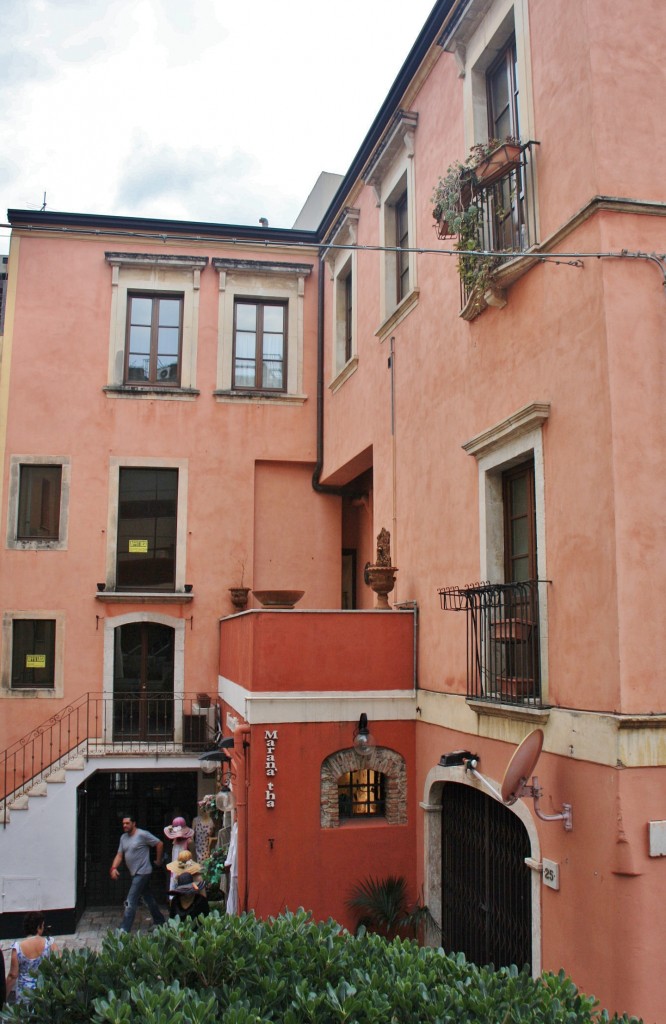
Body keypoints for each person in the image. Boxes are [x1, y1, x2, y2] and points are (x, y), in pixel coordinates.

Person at [110, 814, 166, 933]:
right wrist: (113, 868)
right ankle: (160, 921)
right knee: (148, 898)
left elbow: (159, 843)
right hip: (134, 873)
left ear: (134, 823)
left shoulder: (142, 834)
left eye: (127, 823)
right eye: (123, 823)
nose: (124, 825)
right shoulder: (123, 838)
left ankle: (124, 929)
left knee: (130, 900)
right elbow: (120, 855)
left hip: (143, 872)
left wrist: (158, 860)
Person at [6, 911, 58, 1004]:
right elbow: (59, 964)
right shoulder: (50, 944)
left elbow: (13, 975)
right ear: (38, 927)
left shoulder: (17, 948)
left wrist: (3, 996)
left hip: (25, 995)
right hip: (45, 992)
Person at [164, 816, 194, 891]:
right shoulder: (174, 841)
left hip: (185, 871)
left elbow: (194, 857)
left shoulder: (189, 842)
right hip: (174, 870)